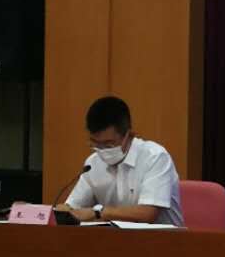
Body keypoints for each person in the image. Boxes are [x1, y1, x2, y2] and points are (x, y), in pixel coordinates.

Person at [55, 95, 185, 227]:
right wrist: (66, 210)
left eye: (108, 144)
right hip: (114, 238)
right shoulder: (92, 164)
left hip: (162, 238)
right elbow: (74, 208)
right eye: (95, 143)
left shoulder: (155, 157)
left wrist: (98, 212)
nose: (102, 150)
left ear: (128, 135)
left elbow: (148, 214)